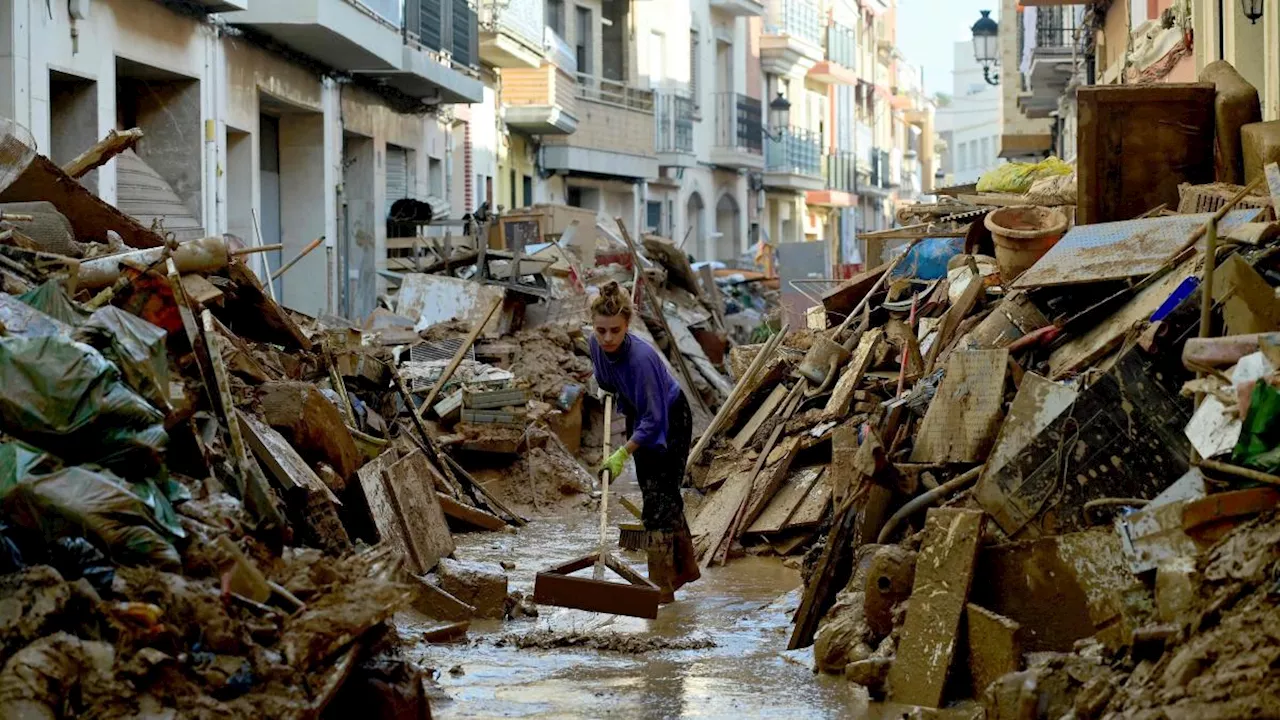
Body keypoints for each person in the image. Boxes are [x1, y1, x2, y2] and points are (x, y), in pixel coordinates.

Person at [588, 281, 700, 602]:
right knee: (655, 493)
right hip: (640, 412)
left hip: (670, 417)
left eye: (615, 330)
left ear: (627, 326)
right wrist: (605, 385)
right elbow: (604, 377)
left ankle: (661, 591)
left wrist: (623, 453)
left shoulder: (642, 359)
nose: (607, 338)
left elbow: (655, 421)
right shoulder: (595, 344)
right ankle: (684, 571)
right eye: (601, 330)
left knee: (659, 502)